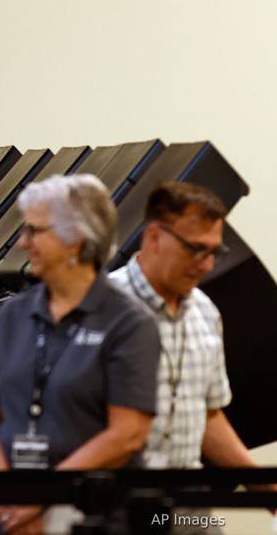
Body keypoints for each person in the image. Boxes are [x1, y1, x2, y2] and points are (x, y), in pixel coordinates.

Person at [0, 174, 160, 535]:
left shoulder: (130, 324)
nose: (23, 242)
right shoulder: (13, 315)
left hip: (86, 516)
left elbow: (127, 435)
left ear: (75, 240)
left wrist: (39, 498)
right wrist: (7, 498)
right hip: (8, 517)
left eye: (35, 231)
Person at [108, 182, 276, 533]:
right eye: (196, 250)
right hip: (113, 503)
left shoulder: (204, 312)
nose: (207, 265)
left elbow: (208, 415)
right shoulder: (98, 309)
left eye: (215, 251)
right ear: (155, 237)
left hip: (186, 503)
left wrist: (265, 487)